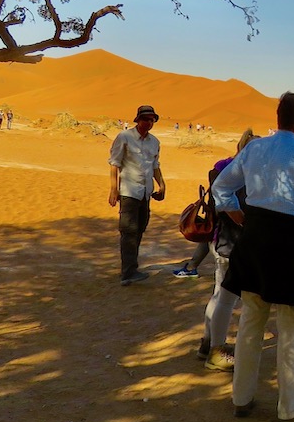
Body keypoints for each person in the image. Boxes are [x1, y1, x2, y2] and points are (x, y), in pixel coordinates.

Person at [212, 92, 294, 422]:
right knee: (293, 331)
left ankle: (241, 399)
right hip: (292, 251)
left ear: (279, 116)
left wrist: (239, 215)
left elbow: (221, 187)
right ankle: (292, 410)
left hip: (254, 246)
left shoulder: (254, 148)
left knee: (251, 325)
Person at [176, 130, 260, 373]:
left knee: (219, 295)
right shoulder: (242, 177)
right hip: (231, 246)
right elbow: (241, 214)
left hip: (221, 242)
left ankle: (207, 343)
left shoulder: (225, 170)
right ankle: (217, 352)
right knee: (226, 299)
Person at [108, 105, 166, 286]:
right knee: (128, 231)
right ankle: (128, 272)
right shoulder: (124, 137)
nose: (149, 123)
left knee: (140, 228)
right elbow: (114, 163)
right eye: (146, 119)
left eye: (152, 120)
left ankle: (131, 267)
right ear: (138, 119)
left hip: (145, 193)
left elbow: (155, 165)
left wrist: (162, 184)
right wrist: (113, 189)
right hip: (128, 191)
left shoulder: (154, 142)